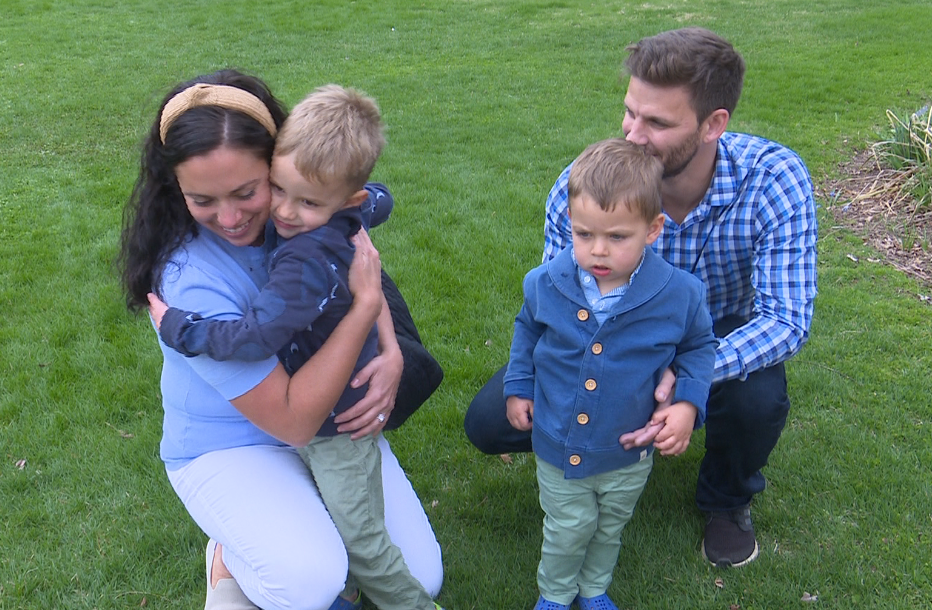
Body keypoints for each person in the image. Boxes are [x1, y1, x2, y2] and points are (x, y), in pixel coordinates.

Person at [464, 27, 818, 569]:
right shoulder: (583, 186)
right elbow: (555, 299)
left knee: (756, 399)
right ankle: (584, 465)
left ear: (713, 124)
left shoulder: (774, 179)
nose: (632, 134)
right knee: (489, 422)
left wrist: (690, 377)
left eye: (656, 122)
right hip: (605, 328)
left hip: (715, 328)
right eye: (630, 112)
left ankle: (726, 500)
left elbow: (785, 320)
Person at [118, 70, 443, 610]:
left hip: (329, 421)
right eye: (202, 199)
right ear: (175, 188)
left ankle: (288, 530)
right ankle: (230, 556)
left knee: (420, 577)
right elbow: (292, 419)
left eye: (248, 191)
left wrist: (388, 348)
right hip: (233, 442)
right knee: (311, 584)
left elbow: (359, 241)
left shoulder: (301, 208)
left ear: (282, 163)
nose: (230, 217)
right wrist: (365, 312)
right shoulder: (186, 279)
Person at [505, 138, 716, 610]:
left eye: (617, 237)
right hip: (559, 443)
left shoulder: (679, 294)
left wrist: (686, 400)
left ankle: (594, 587)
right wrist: (519, 385)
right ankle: (556, 595)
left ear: (653, 229)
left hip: (629, 450)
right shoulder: (547, 282)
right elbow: (527, 330)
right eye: (584, 234)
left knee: (609, 525)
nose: (597, 251)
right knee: (567, 527)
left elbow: (700, 347)